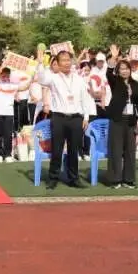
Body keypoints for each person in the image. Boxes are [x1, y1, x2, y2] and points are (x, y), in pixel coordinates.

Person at [40, 50, 94, 189]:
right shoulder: (54, 78)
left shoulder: (78, 79)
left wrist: (86, 117)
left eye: (68, 60)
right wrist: (41, 63)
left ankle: (73, 178)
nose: (66, 63)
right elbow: (42, 79)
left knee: (73, 150)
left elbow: (84, 98)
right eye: (63, 60)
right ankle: (53, 178)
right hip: (58, 117)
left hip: (76, 118)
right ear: (57, 63)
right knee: (57, 149)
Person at [104, 59, 138, 188]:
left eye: (126, 68)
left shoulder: (135, 84)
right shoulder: (115, 82)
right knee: (116, 149)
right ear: (118, 71)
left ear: (130, 70)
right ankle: (115, 179)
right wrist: (112, 61)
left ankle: (129, 179)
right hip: (117, 119)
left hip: (131, 120)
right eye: (121, 69)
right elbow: (108, 74)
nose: (124, 71)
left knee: (130, 150)